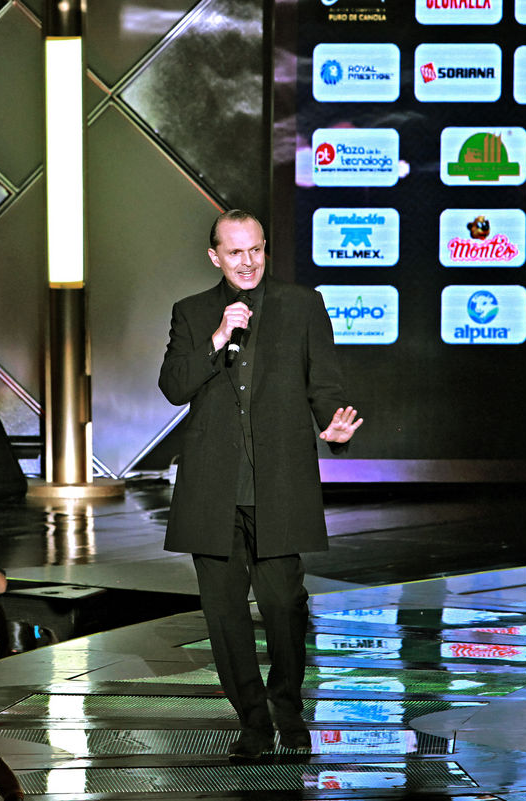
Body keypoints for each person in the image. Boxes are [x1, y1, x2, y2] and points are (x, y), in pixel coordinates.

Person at [158, 209, 363, 760]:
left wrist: (334, 426)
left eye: (256, 249)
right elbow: (174, 386)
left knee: (284, 604)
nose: (247, 262)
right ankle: (252, 721)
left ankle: (287, 712)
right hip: (213, 490)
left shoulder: (302, 304)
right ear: (215, 257)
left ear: (265, 249)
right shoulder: (192, 312)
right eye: (235, 252)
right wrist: (218, 336)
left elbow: (324, 382)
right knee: (225, 617)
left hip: (278, 485)